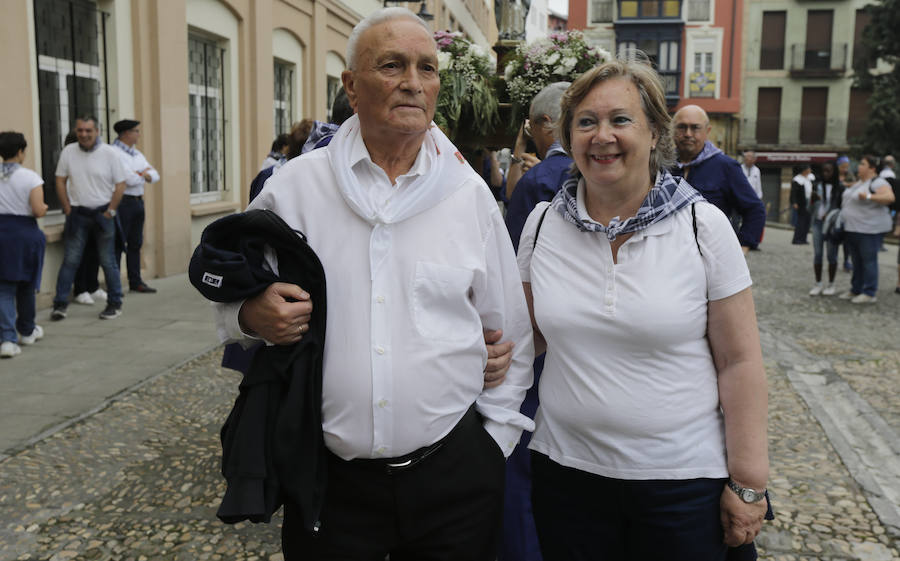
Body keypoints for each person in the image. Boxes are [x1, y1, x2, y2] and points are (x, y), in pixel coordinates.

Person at [214, 8, 534, 560]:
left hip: (453, 480)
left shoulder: (468, 195)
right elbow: (229, 302)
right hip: (330, 484)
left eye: (426, 68)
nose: (413, 82)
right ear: (351, 87)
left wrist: (494, 442)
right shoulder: (295, 190)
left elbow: (511, 332)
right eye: (392, 65)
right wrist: (248, 315)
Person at [516, 59, 770, 560]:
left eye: (620, 120)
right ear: (568, 135)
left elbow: (739, 362)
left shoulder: (703, 226)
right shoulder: (543, 224)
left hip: (681, 484)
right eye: (585, 122)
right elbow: (526, 337)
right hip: (567, 476)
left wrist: (748, 482)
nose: (601, 136)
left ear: (655, 132)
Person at [500, 81, 571, 561]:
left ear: (546, 125)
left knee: (522, 449)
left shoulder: (540, 181)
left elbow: (505, 268)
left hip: (537, 334)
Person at [51, 116, 129, 321]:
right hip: (77, 214)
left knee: (108, 261)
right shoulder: (69, 152)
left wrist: (111, 210)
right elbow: (60, 180)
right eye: (80, 131)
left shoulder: (109, 153)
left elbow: (121, 184)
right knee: (70, 260)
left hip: (103, 214)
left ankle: (115, 303)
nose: (84, 134)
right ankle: (59, 305)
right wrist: (67, 207)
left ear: (97, 131)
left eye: (88, 131)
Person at [671, 105, 765, 254]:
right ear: (674, 130)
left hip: (709, 256)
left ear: (707, 131)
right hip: (669, 256)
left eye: (695, 128)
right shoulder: (662, 166)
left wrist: (743, 247)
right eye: (682, 127)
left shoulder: (725, 166)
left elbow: (755, 209)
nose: (688, 134)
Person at [0, 132, 47, 358]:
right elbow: (38, 210)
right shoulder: (30, 177)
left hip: (1, 233)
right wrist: (45, 208)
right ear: (20, 152)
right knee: (27, 284)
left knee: (4, 289)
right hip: (24, 233)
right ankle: (27, 330)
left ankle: (7, 339)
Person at [838, 155, 895, 304]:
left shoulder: (878, 182)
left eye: (863, 164)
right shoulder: (860, 182)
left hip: (869, 230)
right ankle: (856, 288)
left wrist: (869, 196)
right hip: (853, 228)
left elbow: (889, 197)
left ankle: (869, 292)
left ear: (872, 168)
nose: (859, 166)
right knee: (856, 261)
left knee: (868, 261)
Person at [112, 119, 160, 294]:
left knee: (135, 243)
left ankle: (135, 281)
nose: (139, 134)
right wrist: (143, 174)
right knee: (118, 244)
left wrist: (142, 174)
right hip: (122, 202)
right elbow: (128, 179)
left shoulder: (137, 154)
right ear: (125, 133)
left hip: (138, 201)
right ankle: (115, 284)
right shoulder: (114, 153)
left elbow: (155, 175)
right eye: (136, 131)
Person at [808, 161, 844, 296]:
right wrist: (811, 200)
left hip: (832, 225)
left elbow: (842, 208)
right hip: (817, 223)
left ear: (834, 172)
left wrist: (831, 215)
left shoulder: (840, 188)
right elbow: (809, 209)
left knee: (831, 255)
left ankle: (831, 284)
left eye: (829, 171)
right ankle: (817, 283)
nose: (825, 174)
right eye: (824, 171)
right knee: (818, 254)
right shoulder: (817, 186)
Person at [790, 164, 813, 245]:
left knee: (807, 221)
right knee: (801, 221)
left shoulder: (810, 177)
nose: (810, 170)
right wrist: (794, 202)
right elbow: (793, 193)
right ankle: (797, 239)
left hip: (810, 201)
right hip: (801, 202)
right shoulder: (797, 180)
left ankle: (803, 238)